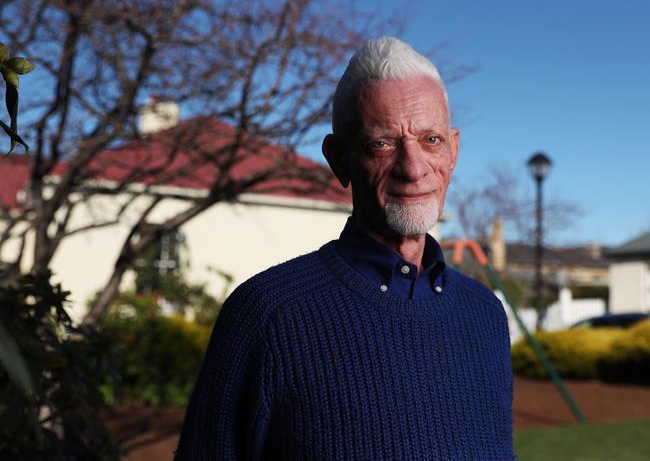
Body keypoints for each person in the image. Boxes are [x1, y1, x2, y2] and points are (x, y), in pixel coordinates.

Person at [174, 37, 514, 460]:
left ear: (454, 150)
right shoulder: (267, 315)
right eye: (382, 144)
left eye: (431, 140)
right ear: (339, 159)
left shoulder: (484, 314)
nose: (412, 168)